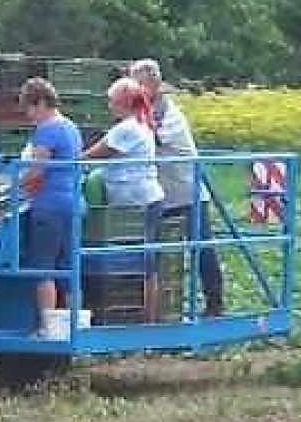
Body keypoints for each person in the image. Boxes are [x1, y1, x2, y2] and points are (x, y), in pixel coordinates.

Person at [129, 58, 224, 317]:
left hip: (187, 192)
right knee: (155, 251)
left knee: (201, 247)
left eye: (138, 85)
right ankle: (157, 308)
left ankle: (215, 303)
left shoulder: (167, 113)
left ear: (153, 84)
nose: (134, 91)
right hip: (164, 194)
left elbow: (149, 138)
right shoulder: (145, 112)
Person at [82, 77, 165, 323]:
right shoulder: (139, 124)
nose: (108, 105)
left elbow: (95, 153)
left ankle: (148, 319)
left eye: (111, 100)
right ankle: (144, 317)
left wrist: (67, 161)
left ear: (122, 102)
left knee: (144, 260)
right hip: (141, 199)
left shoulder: (127, 129)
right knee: (143, 259)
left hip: (138, 201)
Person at [18, 77, 85, 338]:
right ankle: (72, 326)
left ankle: (47, 328)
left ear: (42, 103)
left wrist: (9, 187)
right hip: (73, 203)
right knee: (69, 265)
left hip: (50, 206)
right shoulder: (71, 127)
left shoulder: (47, 130)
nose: (29, 115)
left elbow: (36, 171)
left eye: (30, 108)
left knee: (43, 267)